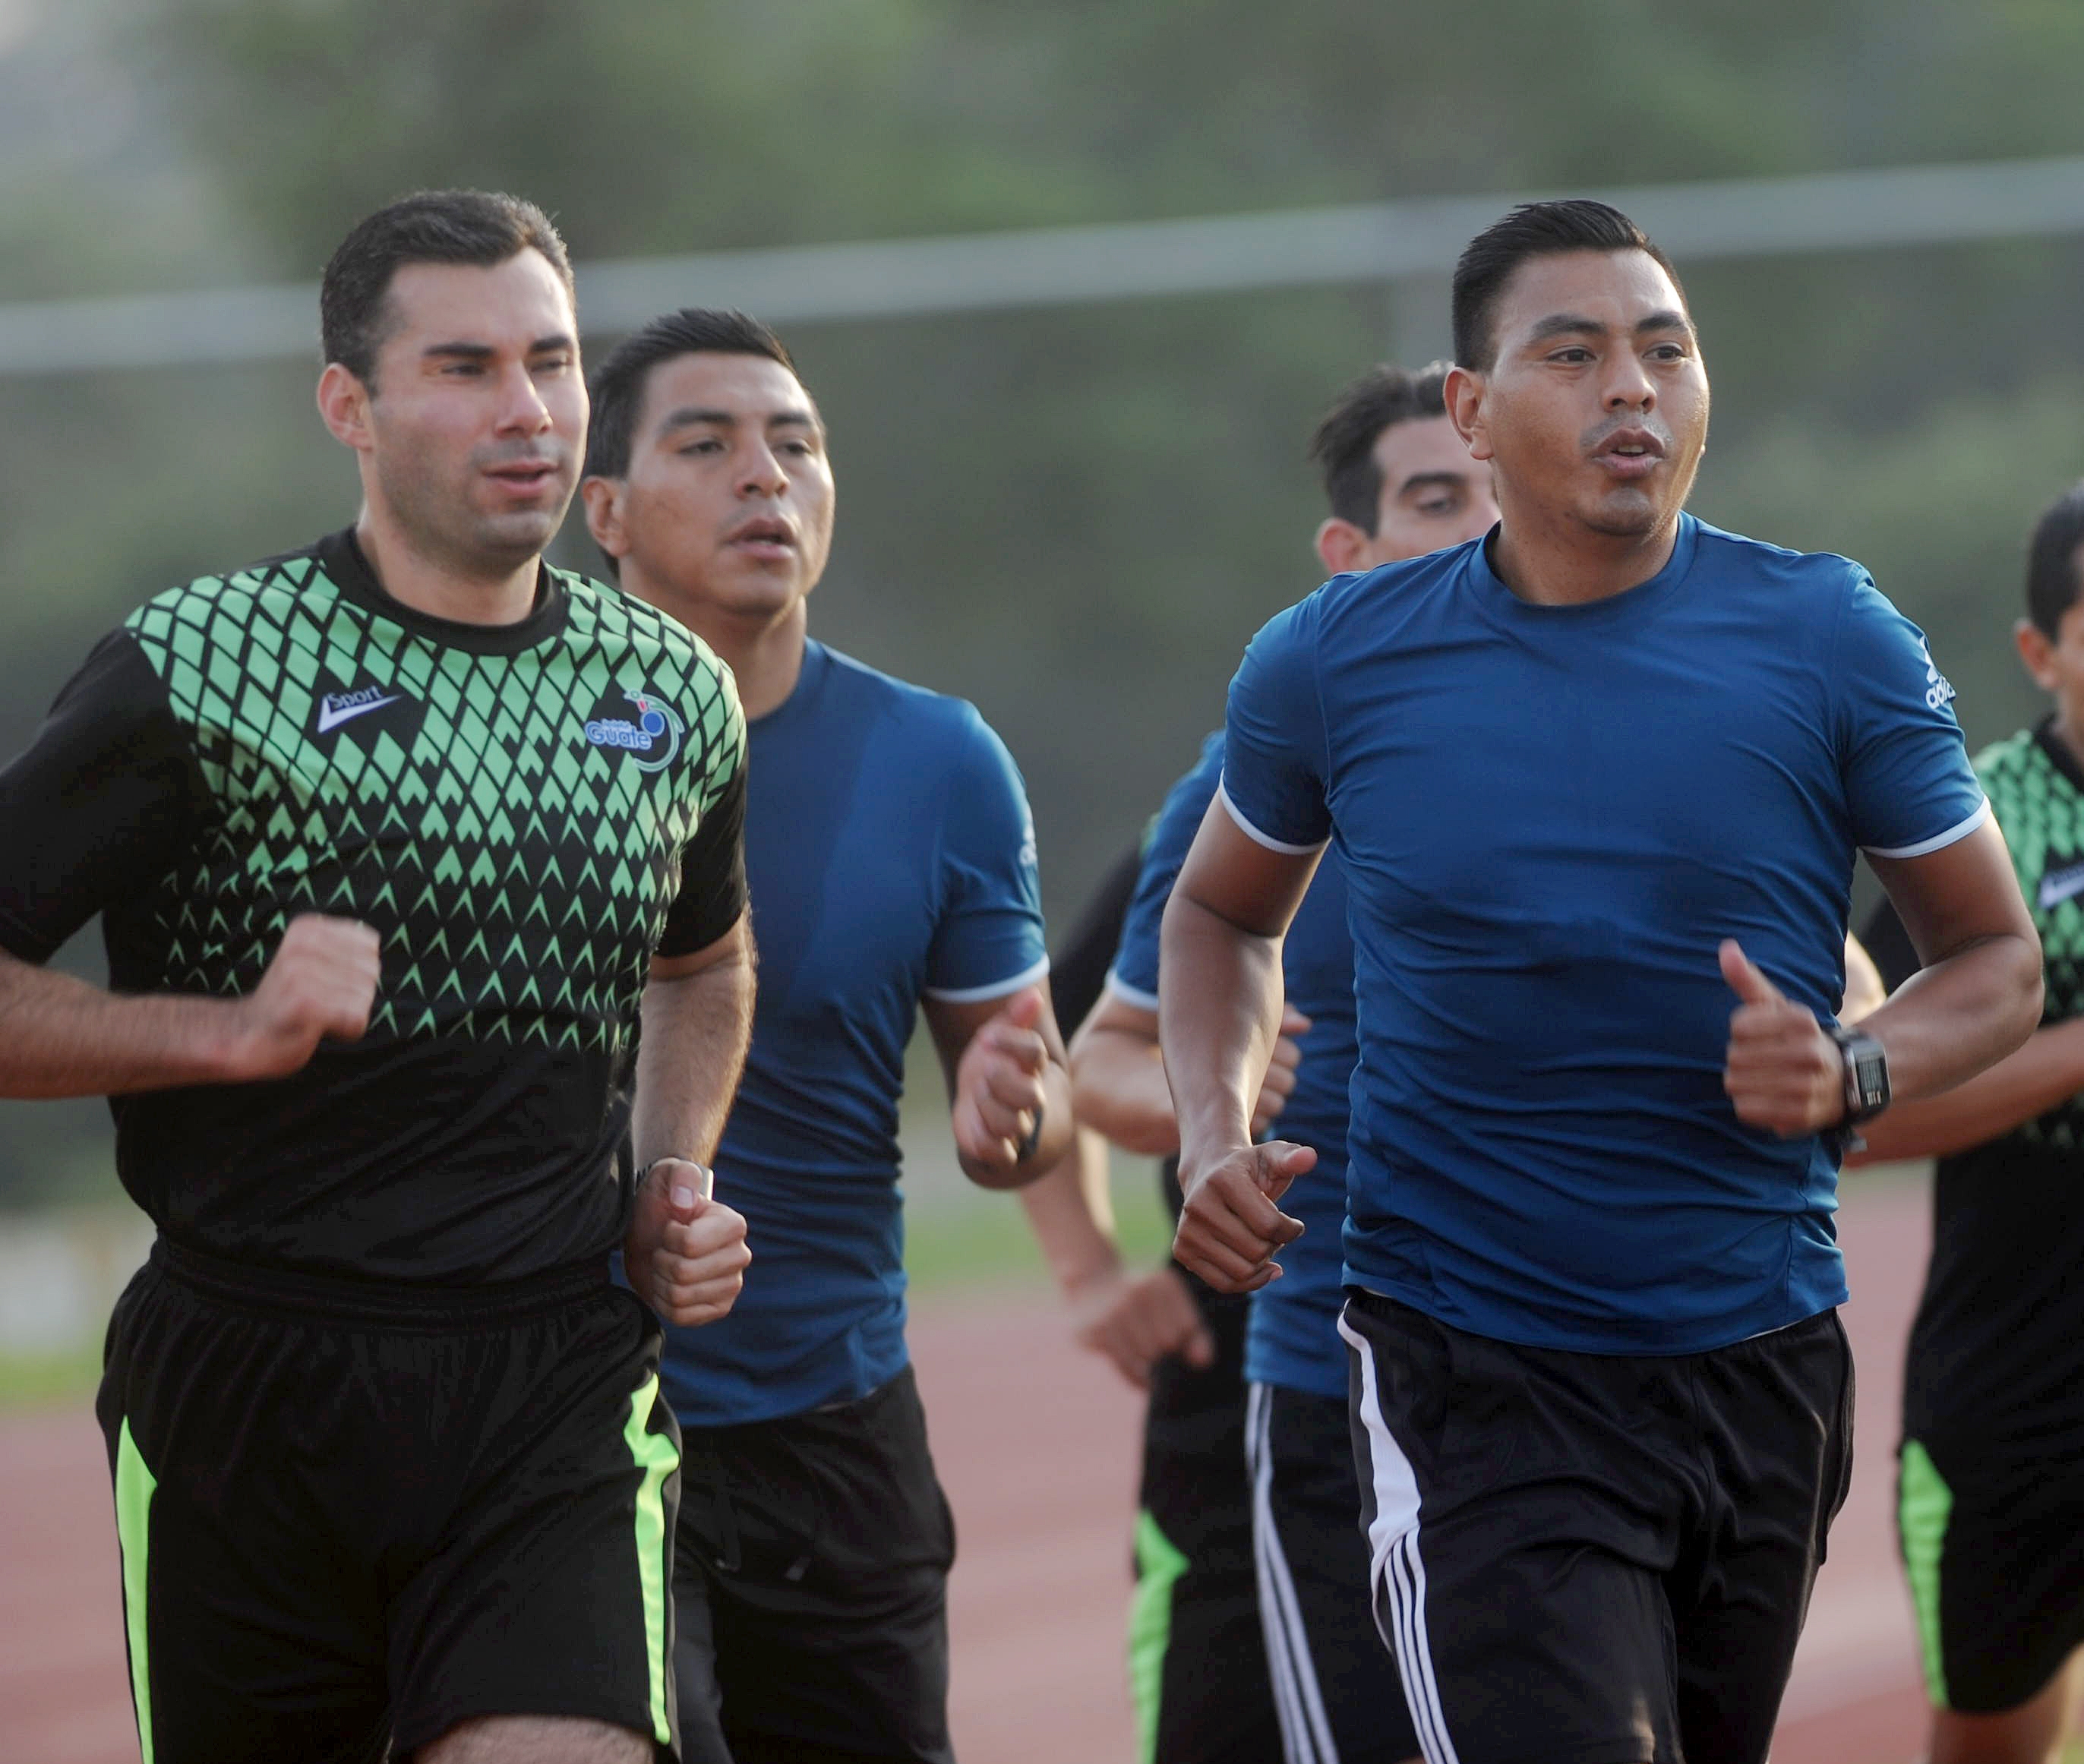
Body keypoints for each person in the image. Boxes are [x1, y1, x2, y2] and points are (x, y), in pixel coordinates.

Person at [1157, 198, 2042, 1764]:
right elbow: (1220, 915)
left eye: (1664, 350)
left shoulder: (1830, 636)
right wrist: (1213, 1130)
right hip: (1467, 1362)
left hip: (1760, 1356)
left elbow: (1995, 958)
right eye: (1572, 355)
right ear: (1470, 409)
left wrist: (1855, 1067)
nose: (1631, 386)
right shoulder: (1332, 659)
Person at [0, 191, 757, 1764]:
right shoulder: (201, 667)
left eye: (551, 360)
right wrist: (225, 1033)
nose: (527, 409)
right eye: (465, 367)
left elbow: (705, 963)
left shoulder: (671, 688)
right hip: (250, 1385)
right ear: (349, 405)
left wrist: (668, 1173)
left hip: (552, 1376)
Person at [579, 308, 1075, 1764]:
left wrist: (1014, 1113)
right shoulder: (513, 749)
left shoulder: (940, 762)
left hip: (835, 1433)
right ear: (604, 511)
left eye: (796, 444)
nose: (765, 476)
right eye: (707, 444)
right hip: (571, 1426)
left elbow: (1026, 1122)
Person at [1069, 362, 1495, 1764]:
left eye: (1494, 491)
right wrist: (1210, 1113)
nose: (1480, 525)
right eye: (1435, 498)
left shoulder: (1661, 725)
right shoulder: (1258, 781)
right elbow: (1098, 1060)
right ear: (1349, 550)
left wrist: (1834, 1051)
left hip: (1623, 1362)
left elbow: (1840, 979)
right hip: (1334, 1380)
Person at [1853, 481, 2084, 1764]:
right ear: (2039, 652)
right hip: (2020, 1391)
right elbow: (1865, 1112)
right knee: (1995, 1735)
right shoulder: (1975, 829)